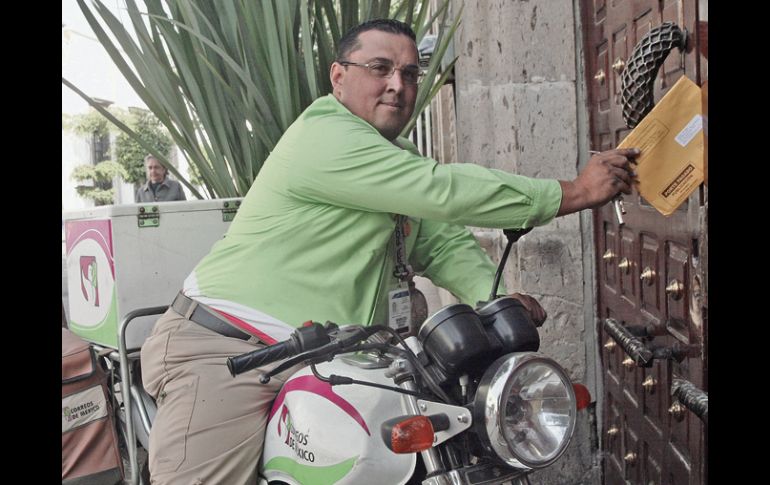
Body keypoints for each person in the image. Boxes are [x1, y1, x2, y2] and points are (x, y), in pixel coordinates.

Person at [140, 19, 638, 484]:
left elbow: (443, 242)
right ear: (339, 77)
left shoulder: (395, 160)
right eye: (380, 68)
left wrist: (497, 298)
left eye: (410, 73)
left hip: (330, 359)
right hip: (232, 351)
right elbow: (441, 190)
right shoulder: (325, 135)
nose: (397, 84)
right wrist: (571, 192)